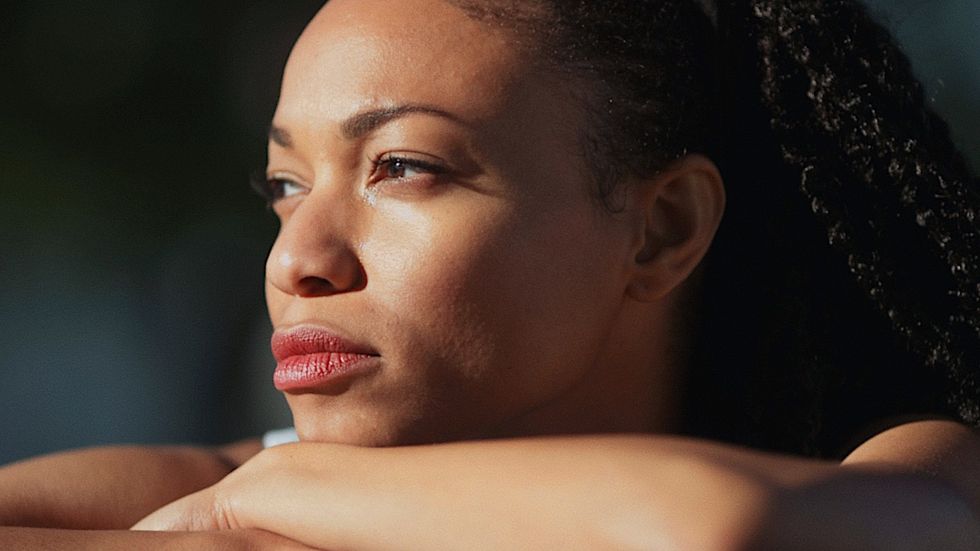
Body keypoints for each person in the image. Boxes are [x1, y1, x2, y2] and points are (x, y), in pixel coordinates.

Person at [2, 0, 979, 548]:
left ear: (661, 229)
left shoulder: (918, 464)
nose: (295, 259)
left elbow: (724, 527)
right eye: (285, 185)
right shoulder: (249, 481)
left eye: (400, 166)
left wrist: (261, 501)